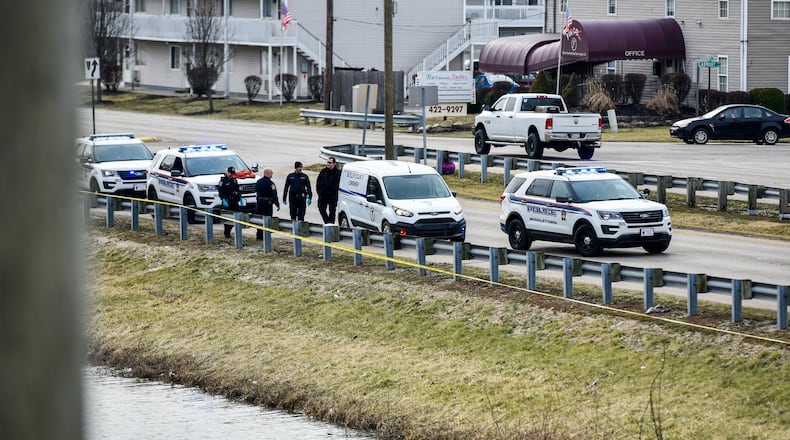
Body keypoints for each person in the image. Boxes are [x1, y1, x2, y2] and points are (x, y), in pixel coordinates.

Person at [255, 168, 280, 240]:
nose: (272, 175)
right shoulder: (271, 183)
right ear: (268, 174)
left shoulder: (258, 182)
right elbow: (274, 194)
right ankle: (266, 236)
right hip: (267, 204)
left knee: (259, 219)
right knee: (267, 219)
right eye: (271, 173)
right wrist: (277, 204)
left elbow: (256, 191)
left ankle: (259, 235)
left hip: (259, 202)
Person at [316, 156, 341, 224]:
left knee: (332, 211)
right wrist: (319, 192)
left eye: (330, 163)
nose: (328, 164)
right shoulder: (323, 171)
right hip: (323, 195)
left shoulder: (338, 173)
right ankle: (327, 222)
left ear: (334, 163)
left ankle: (331, 224)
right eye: (327, 162)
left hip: (332, 196)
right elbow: (318, 182)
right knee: (321, 209)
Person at [217, 166, 241, 238]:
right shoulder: (223, 181)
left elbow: (237, 189)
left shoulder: (234, 180)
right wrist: (223, 199)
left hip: (234, 201)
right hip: (227, 201)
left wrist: (240, 197)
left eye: (233, 174)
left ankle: (234, 231)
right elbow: (221, 192)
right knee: (228, 217)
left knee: (237, 216)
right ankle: (227, 232)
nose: (232, 175)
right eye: (230, 173)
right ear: (227, 172)